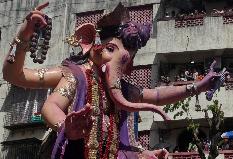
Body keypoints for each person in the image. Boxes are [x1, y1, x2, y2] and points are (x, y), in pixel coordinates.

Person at [2, 2, 221, 159]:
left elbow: (155, 96)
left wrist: (198, 86)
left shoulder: (122, 89)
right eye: (109, 50)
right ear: (89, 43)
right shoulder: (76, 76)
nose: (117, 63)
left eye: (125, 60)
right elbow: (21, 80)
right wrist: (64, 126)